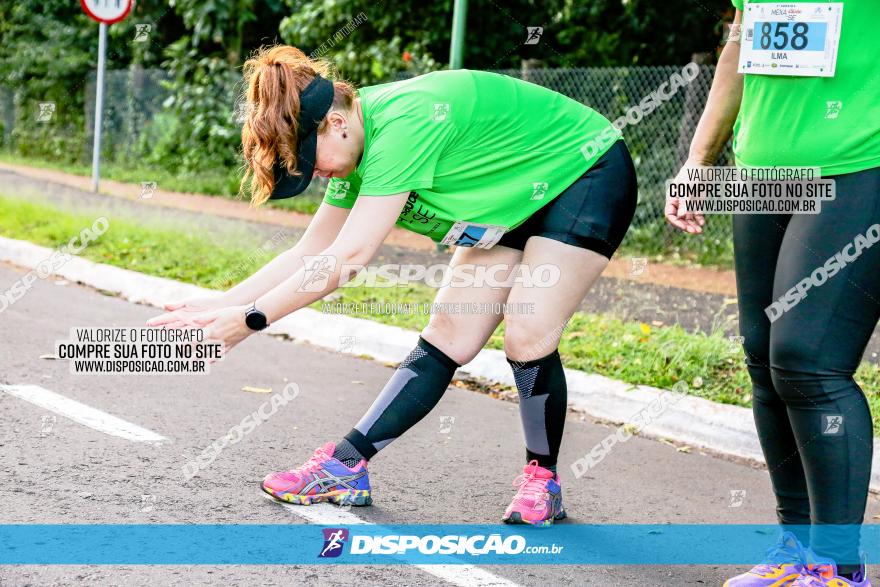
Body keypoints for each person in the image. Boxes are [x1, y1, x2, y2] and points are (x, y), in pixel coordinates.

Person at [148, 44, 637, 526]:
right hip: (511, 199)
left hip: (584, 171)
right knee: (450, 329)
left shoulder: (403, 125)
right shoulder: (352, 148)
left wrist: (251, 320)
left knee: (528, 330)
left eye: (308, 158)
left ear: (335, 124)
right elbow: (311, 251)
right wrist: (224, 303)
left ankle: (542, 480)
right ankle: (347, 465)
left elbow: (351, 257)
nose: (313, 173)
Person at [668, 1, 879, 584]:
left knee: (808, 361)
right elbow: (738, 48)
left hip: (860, 165)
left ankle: (837, 567)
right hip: (762, 171)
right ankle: (797, 550)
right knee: (765, 360)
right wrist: (698, 160)